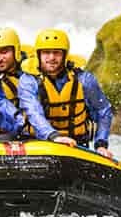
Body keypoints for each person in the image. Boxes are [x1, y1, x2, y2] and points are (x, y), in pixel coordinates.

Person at [17, 28, 113, 158]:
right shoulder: (28, 81)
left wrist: (101, 144)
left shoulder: (84, 80)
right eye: (46, 53)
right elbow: (33, 112)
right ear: (38, 55)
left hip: (76, 145)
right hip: (39, 144)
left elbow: (103, 111)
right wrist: (53, 136)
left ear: (65, 55)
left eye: (57, 53)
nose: (51, 57)